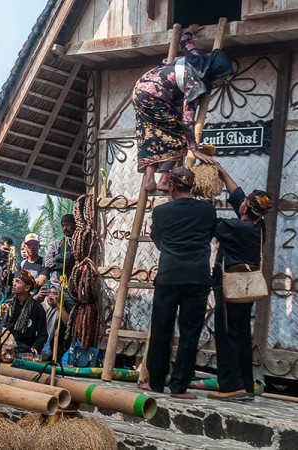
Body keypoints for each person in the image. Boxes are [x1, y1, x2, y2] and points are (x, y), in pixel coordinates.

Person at [144, 167, 217, 398]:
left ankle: (155, 383)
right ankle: (179, 387)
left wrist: (171, 250)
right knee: (189, 333)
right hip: (198, 278)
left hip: (169, 276)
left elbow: (157, 238)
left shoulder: (161, 211)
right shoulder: (207, 210)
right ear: (192, 186)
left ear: (172, 186)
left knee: (160, 330)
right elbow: (209, 235)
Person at [133, 26, 230, 193]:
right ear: (213, 74)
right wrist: (193, 148)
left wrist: (189, 30)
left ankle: (150, 180)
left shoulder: (198, 57)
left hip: (139, 90)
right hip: (155, 98)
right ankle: (164, 179)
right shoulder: (196, 85)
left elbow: (185, 41)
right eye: (221, 79)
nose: (222, 83)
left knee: (148, 133)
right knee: (181, 135)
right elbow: (187, 120)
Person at [209, 164, 272, 401]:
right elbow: (237, 197)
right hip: (247, 288)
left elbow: (209, 222)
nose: (241, 201)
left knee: (227, 334)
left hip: (229, 287)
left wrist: (205, 199)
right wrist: (222, 173)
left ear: (247, 208)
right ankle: (246, 385)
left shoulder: (234, 227)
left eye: (244, 201)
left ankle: (230, 386)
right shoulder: (258, 226)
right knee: (242, 334)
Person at [5, 270, 48, 356]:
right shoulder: (8, 304)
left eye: (18, 282)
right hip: (4, 343)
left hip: (24, 348)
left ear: (27, 288)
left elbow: (42, 334)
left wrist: (36, 347)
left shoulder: (37, 308)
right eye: (14, 281)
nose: (14, 284)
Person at [39, 282, 71, 359]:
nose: (51, 296)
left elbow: (67, 323)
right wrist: (37, 296)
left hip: (51, 346)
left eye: (55, 293)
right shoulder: (41, 305)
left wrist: (57, 303)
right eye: (49, 293)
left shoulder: (61, 308)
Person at [45, 214, 77, 284]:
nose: (65, 229)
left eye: (68, 225)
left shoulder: (80, 243)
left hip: (74, 285)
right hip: (56, 285)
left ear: (75, 225)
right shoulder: (55, 244)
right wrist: (67, 264)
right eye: (63, 226)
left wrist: (59, 259)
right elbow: (48, 263)